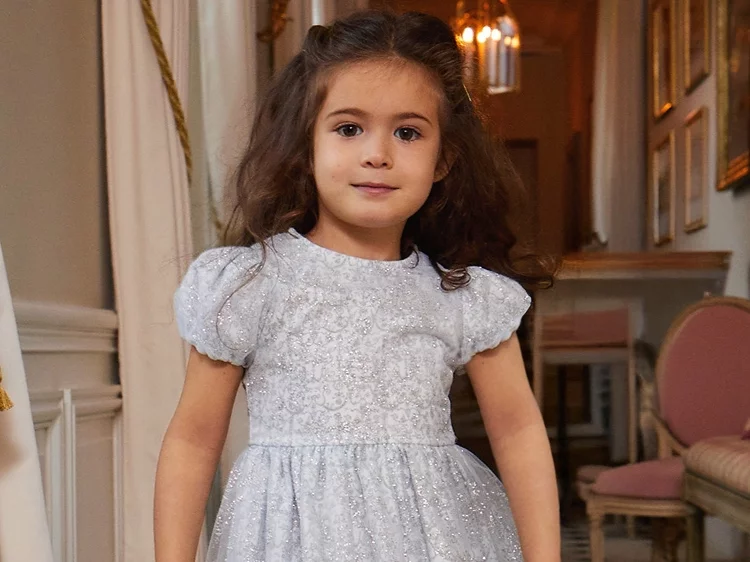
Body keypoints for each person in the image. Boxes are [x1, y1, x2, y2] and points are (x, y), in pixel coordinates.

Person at [155, 9, 560, 562]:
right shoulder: (248, 286)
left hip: (434, 542)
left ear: (443, 159)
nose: (377, 154)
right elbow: (193, 440)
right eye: (349, 128)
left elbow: (517, 432)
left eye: (407, 132)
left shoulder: (462, 297)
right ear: (306, 146)